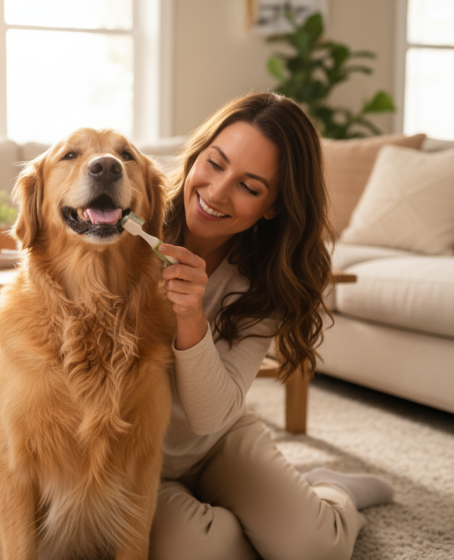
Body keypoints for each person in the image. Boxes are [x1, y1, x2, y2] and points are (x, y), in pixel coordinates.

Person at [149, 92, 393, 560]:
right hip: (136, 456)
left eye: (249, 186)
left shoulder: (264, 279)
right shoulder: (136, 228)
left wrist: (192, 317)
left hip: (218, 439)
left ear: (274, 207)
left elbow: (208, 417)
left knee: (316, 550)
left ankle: (331, 492)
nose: (217, 192)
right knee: (187, 550)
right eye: (215, 163)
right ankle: (263, 522)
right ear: (198, 152)